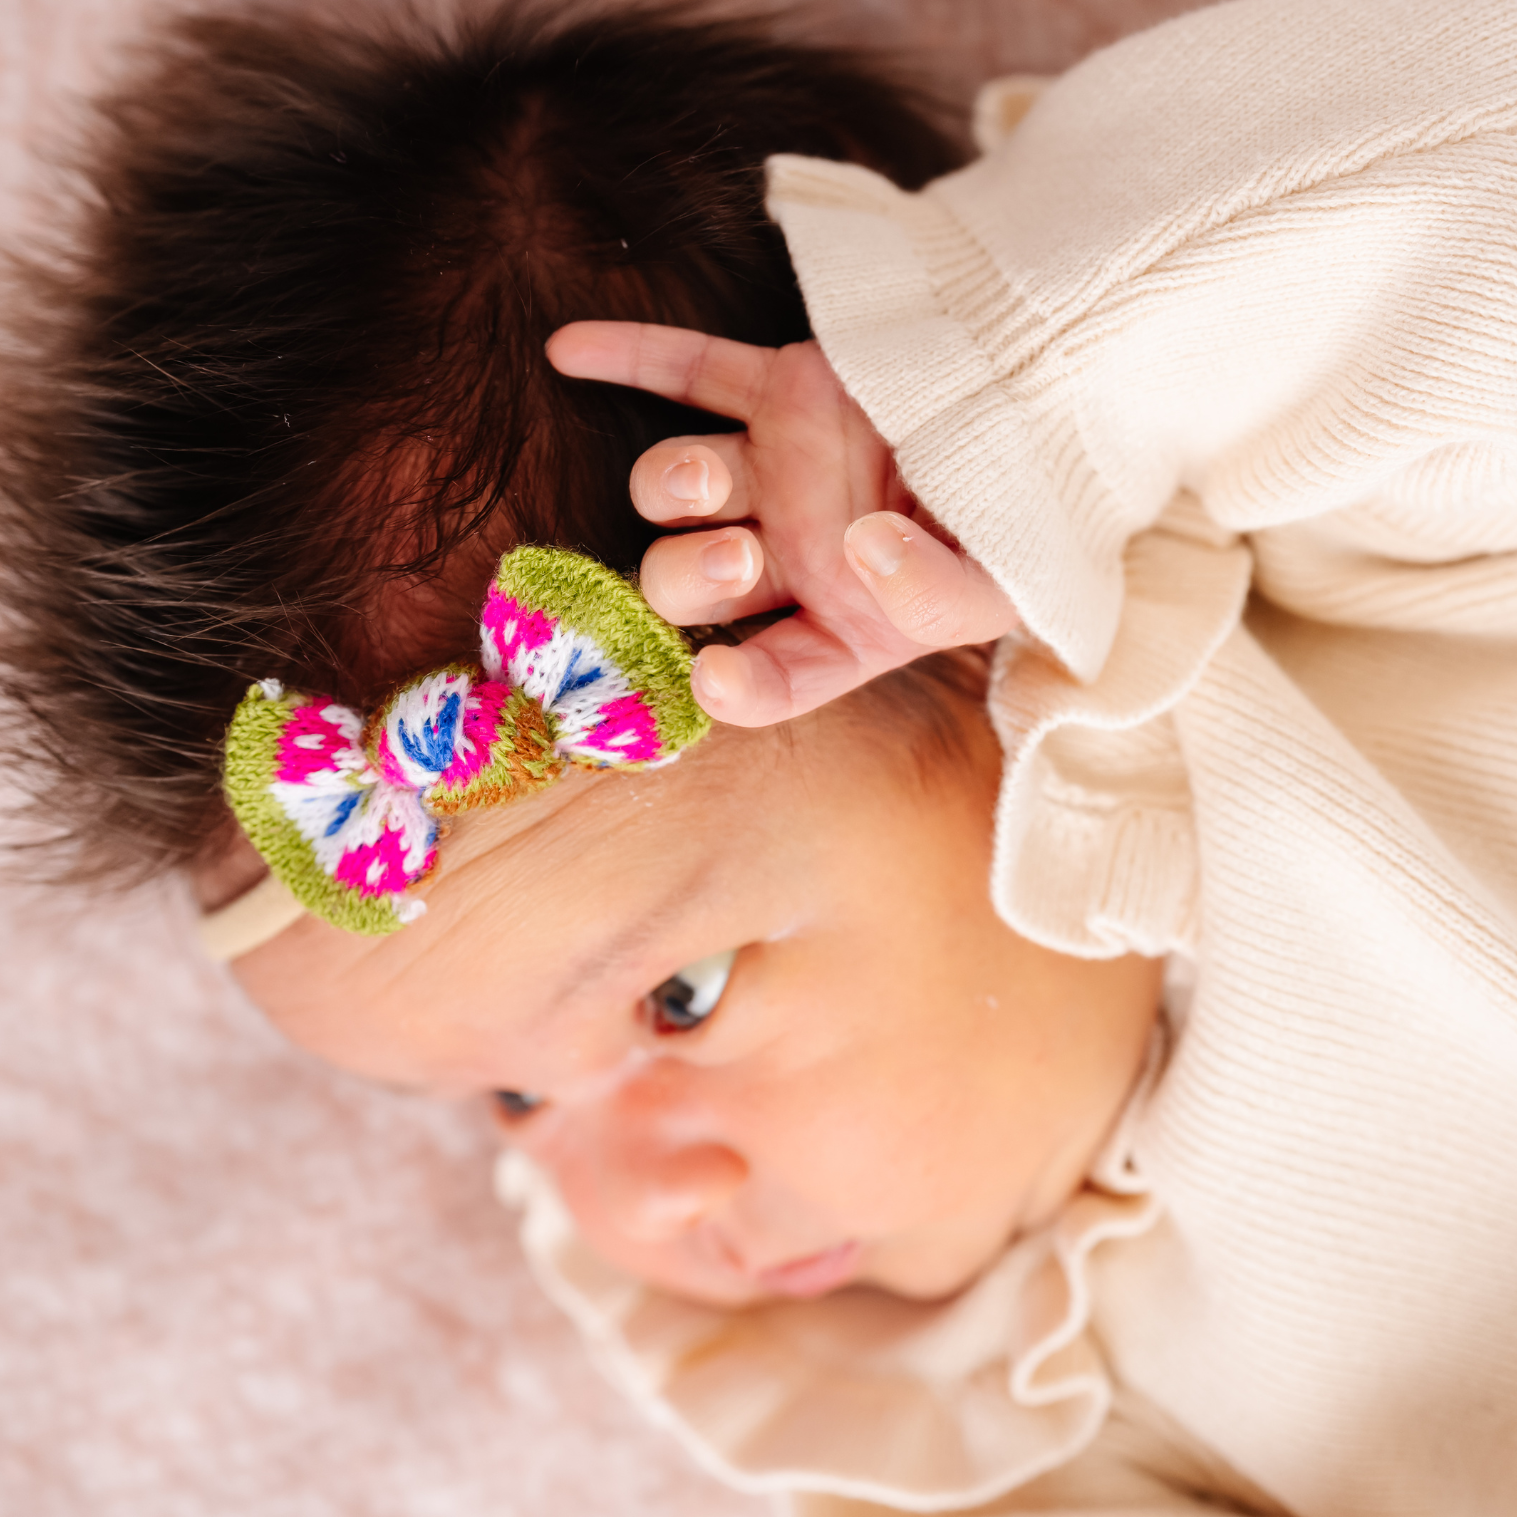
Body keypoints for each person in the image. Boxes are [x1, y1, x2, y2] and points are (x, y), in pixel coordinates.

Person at [5, 0, 1517, 1513]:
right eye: (513, 1107)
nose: (638, 1210)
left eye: (682, 999)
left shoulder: (1357, 600)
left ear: (949, 627)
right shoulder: (994, 1410)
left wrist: (1004, 395)